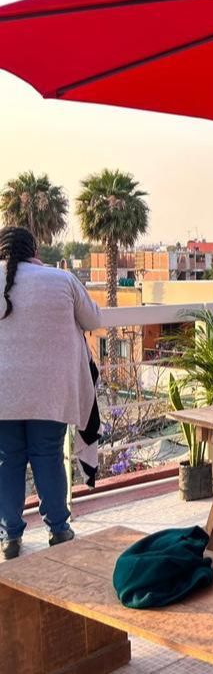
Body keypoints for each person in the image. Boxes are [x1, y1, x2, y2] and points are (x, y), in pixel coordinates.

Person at [0, 227, 101, 560]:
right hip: (51, 391)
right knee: (48, 456)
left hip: (3, 393)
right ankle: (59, 530)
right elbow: (92, 318)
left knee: (7, 461)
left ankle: (10, 536)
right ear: (35, 251)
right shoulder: (60, 279)